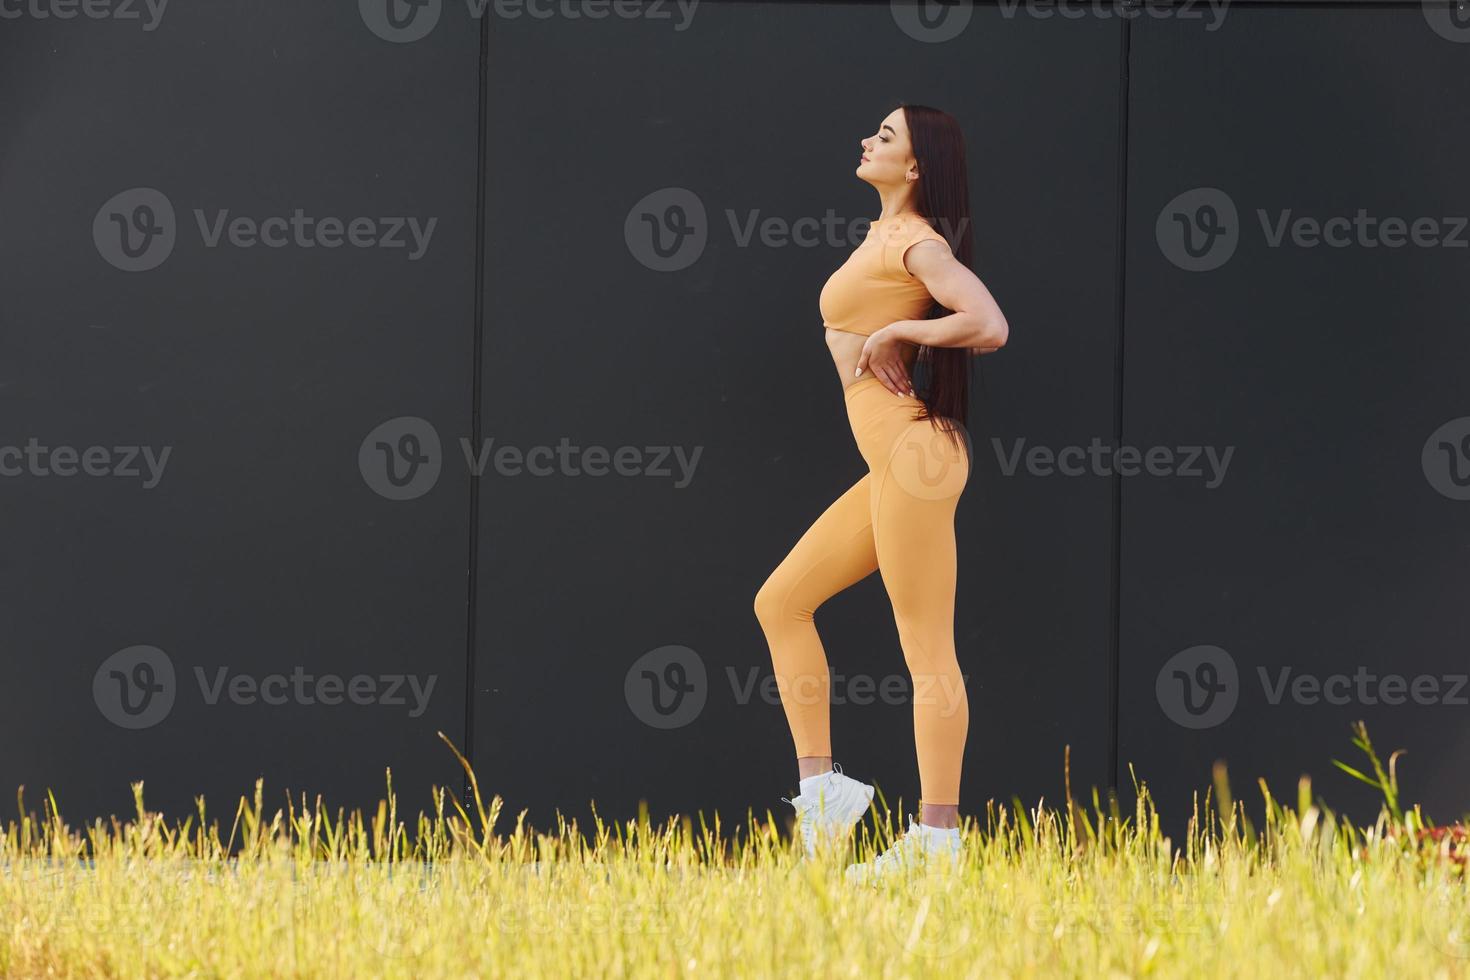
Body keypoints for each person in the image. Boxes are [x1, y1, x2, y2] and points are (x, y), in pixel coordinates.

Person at [754, 103, 1009, 882]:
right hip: (894, 462)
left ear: (918, 166)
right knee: (781, 602)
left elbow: (989, 323)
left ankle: (938, 840)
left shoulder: (917, 241)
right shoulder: (884, 235)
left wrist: (906, 334)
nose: (868, 140)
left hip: (914, 456)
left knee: (926, 645)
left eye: (887, 137)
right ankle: (824, 789)